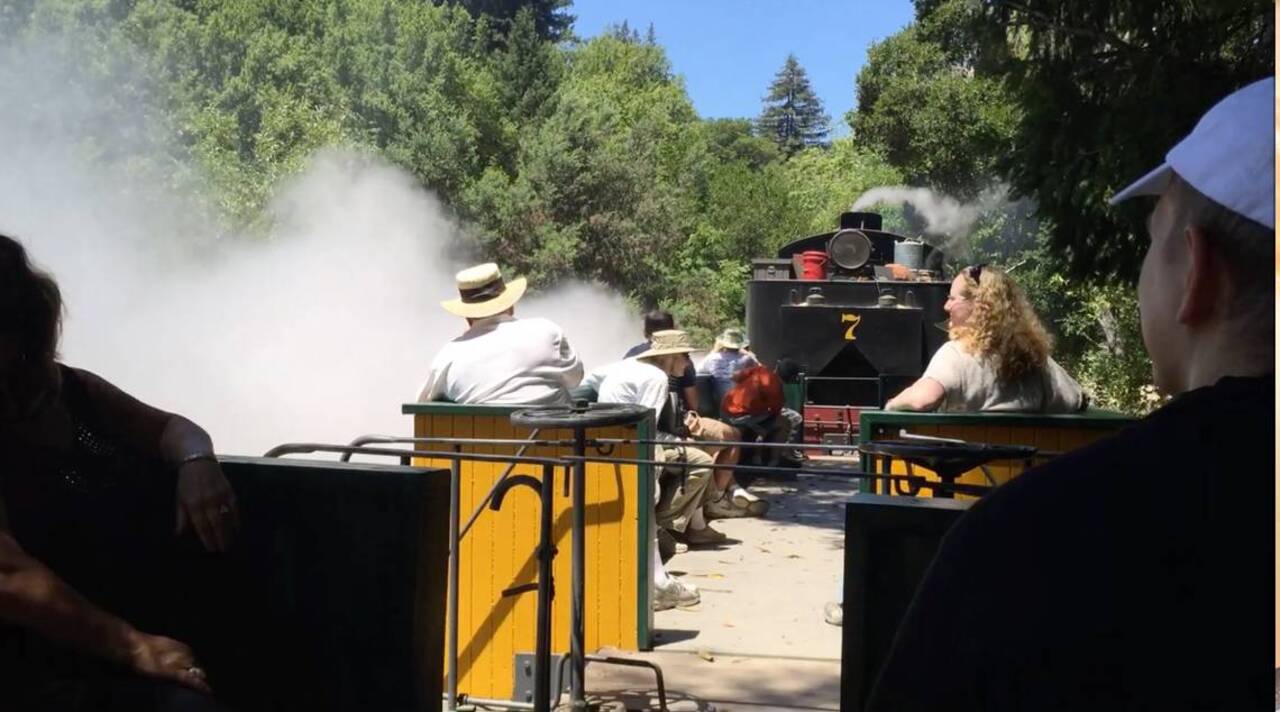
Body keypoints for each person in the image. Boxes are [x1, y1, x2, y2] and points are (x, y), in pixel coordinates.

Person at [868, 77, 1274, 710]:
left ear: (1198, 273)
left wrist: (884, 411)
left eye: (1151, 243)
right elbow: (1080, 405)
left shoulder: (1028, 545)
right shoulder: (1045, 366)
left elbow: (916, 403)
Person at [0, 234, 239, 711]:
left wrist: (197, 462)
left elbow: (172, 429)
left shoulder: (71, 394)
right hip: (34, 673)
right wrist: (133, 646)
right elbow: (8, 576)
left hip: (116, 643)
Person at [583, 330, 729, 611]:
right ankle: (660, 562)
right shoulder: (657, 378)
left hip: (604, 441)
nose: (688, 364)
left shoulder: (621, 366)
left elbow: (586, 384)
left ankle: (661, 560)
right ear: (671, 357)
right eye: (685, 356)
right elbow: (645, 424)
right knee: (688, 470)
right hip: (632, 444)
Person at [884, 264, 1086, 413]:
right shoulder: (1036, 359)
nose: (946, 306)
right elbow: (1078, 399)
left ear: (979, 306)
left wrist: (891, 404)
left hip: (970, 466)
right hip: (1027, 464)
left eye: (952, 299)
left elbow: (922, 399)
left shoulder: (955, 354)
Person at [418, 263, 582, 405]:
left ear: (467, 317)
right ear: (511, 305)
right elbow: (575, 378)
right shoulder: (548, 330)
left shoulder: (450, 353)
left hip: (484, 441)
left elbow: (423, 403)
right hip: (554, 438)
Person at [624, 310, 698, 412]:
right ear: (673, 330)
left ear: (645, 331)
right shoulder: (680, 357)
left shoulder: (632, 354)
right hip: (668, 417)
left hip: (633, 414)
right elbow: (693, 404)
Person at [696, 327, 759, 401]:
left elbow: (698, 369)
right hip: (741, 398)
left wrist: (714, 350)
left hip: (719, 398)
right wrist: (747, 353)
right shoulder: (747, 359)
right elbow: (758, 367)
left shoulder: (713, 358)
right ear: (741, 344)